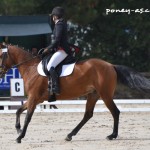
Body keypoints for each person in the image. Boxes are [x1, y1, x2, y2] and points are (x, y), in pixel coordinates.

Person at [41, 6, 71, 95]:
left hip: (62, 50)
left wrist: (48, 49)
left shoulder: (59, 24)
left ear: (55, 16)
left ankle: (56, 87)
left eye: (53, 16)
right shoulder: (61, 23)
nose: (52, 17)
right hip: (59, 50)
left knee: (50, 66)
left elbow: (57, 40)